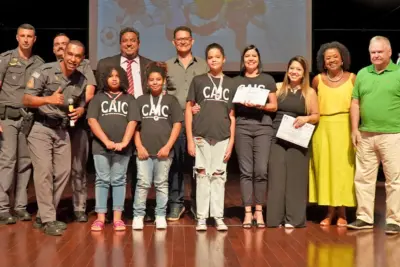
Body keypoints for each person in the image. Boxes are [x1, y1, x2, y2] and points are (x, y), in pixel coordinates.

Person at [23, 41, 87, 236]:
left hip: (62, 131)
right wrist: (47, 99)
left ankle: (44, 214)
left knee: (63, 172)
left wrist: (81, 110)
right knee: (44, 173)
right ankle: (49, 219)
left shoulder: (81, 79)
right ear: (64, 54)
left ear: (82, 59)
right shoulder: (45, 71)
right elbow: (26, 99)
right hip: (41, 128)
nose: (73, 59)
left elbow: (80, 101)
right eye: (70, 54)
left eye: (78, 56)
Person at [95, 27, 153, 221]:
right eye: (125, 40)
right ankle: (109, 212)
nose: (129, 43)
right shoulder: (105, 64)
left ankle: (137, 211)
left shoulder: (149, 65)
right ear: (120, 43)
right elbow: (99, 94)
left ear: (139, 43)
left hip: (144, 121)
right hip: (116, 122)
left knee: (140, 168)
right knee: (111, 172)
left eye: (133, 40)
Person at [348, 36, 400, 235]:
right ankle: (364, 218)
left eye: (380, 51)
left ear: (389, 52)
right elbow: (355, 103)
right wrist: (355, 129)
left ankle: (395, 220)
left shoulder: (398, 73)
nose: (376, 55)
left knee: (394, 179)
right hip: (366, 134)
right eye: (373, 52)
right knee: (363, 178)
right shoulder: (363, 73)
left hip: (393, 134)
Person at [186, 43, 236, 231]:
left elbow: (232, 116)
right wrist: (190, 139)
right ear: (206, 60)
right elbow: (189, 110)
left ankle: (218, 216)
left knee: (218, 177)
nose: (214, 59)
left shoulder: (231, 83)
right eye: (210, 57)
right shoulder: (198, 81)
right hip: (201, 136)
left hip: (222, 137)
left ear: (224, 59)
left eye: (217, 56)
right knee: (201, 176)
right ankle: (201, 217)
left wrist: (231, 142)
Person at [266, 56, 319, 228]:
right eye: (292, 68)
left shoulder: (309, 92)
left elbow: (316, 116)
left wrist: (305, 119)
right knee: (277, 178)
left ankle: (293, 219)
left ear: (304, 73)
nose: (294, 72)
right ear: (287, 70)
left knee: (296, 179)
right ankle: (275, 219)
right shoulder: (277, 87)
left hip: (298, 138)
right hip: (277, 137)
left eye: (298, 69)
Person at [309, 41, 357, 227]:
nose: (331, 60)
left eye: (335, 57)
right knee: (326, 170)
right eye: (327, 58)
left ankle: (343, 212)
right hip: (323, 129)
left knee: (344, 171)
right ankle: (329, 212)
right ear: (323, 61)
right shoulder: (317, 80)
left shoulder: (353, 78)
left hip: (345, 127)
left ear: (342, 59)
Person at [0, 23, 44, 224]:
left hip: (28, 120)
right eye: (23, 36)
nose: (26, 39)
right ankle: (2, 207)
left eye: (30, 36)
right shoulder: (6, 59)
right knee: (8, 161)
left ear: (34, 39)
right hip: (7, 118)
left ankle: (20, 207)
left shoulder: (39, 63)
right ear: (17, 38)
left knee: (25, 163)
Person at [88, 66, 139, 232]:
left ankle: (118, 217)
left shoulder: (129, 99)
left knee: (118, 180)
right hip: (101, 147)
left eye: (117, 76)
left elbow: (133, 121)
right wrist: (106, 141)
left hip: (123, 148)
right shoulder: (98, 98)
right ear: (105, 79)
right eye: (110, 76)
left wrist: (124, 142)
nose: (114, 79)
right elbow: (92, 121)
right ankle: (100, 217)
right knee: (102, 180)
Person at [132, 62, 183, 230]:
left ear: (163, 81)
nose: (154, 82)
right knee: (143, 183)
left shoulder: (171, 100)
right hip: (144, 152)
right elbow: (134, 126)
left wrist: (168, 146)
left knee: (161, 184)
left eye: (158, 79)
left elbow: (177, 125)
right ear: (147, 82)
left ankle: (160, 215)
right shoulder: (140, 100)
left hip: (164, 151)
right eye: (151, 80)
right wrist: (139, 146)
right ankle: (138, 215)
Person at [53, 33, 97, 222]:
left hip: (77, 125)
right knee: (57, 170)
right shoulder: (49, 69)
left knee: (78, 168)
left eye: (65, 44)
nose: (62, 48)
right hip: (56, 125)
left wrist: (82, 108)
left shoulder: (84, 65)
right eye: (58, 45)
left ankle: (79, 207)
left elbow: (90, 89)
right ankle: (50, 209)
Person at [165, 26, 208, 221]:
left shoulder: (204, 65)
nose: (182, 42)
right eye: (178, 39)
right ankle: (176, 204)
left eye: (186, 39)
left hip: (198, 122)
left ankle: (198, 204)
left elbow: (209, 92)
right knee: (175, 165)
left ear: (193, 41)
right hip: (174, 123)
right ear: (173, 43)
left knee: (197, 165)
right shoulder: (166, 66)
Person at [233, 44, 277, 228]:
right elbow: (229, 107)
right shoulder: (236, 80)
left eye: (254, 56)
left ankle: (259, 211)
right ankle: (247, 212)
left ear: (258, 59)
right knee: (245, 172)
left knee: (260, 171)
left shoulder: (267, 79)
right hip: (242, 127)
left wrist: (259, 106)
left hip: (263, 127)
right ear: (243, 60)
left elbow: (273, 106)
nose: (250, 58)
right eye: (247, 56)